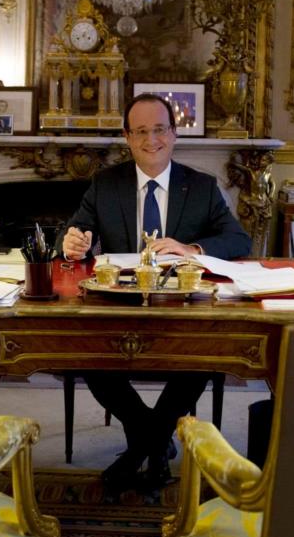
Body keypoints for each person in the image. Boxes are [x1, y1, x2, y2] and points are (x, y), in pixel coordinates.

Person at [60, 93, 251, 493]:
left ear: (174, 133)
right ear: (128, 138)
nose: (152, 140)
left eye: (160, 129)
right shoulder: (105, 184)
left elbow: (237, 239)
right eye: (141, 131)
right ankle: (156, 441)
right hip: (118, 309)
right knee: (88, 356)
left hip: (181, 311)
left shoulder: (200, 187)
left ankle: (138, 450)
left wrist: (191, 249)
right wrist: (73, 242)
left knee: (199, 358)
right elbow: (77, 231)